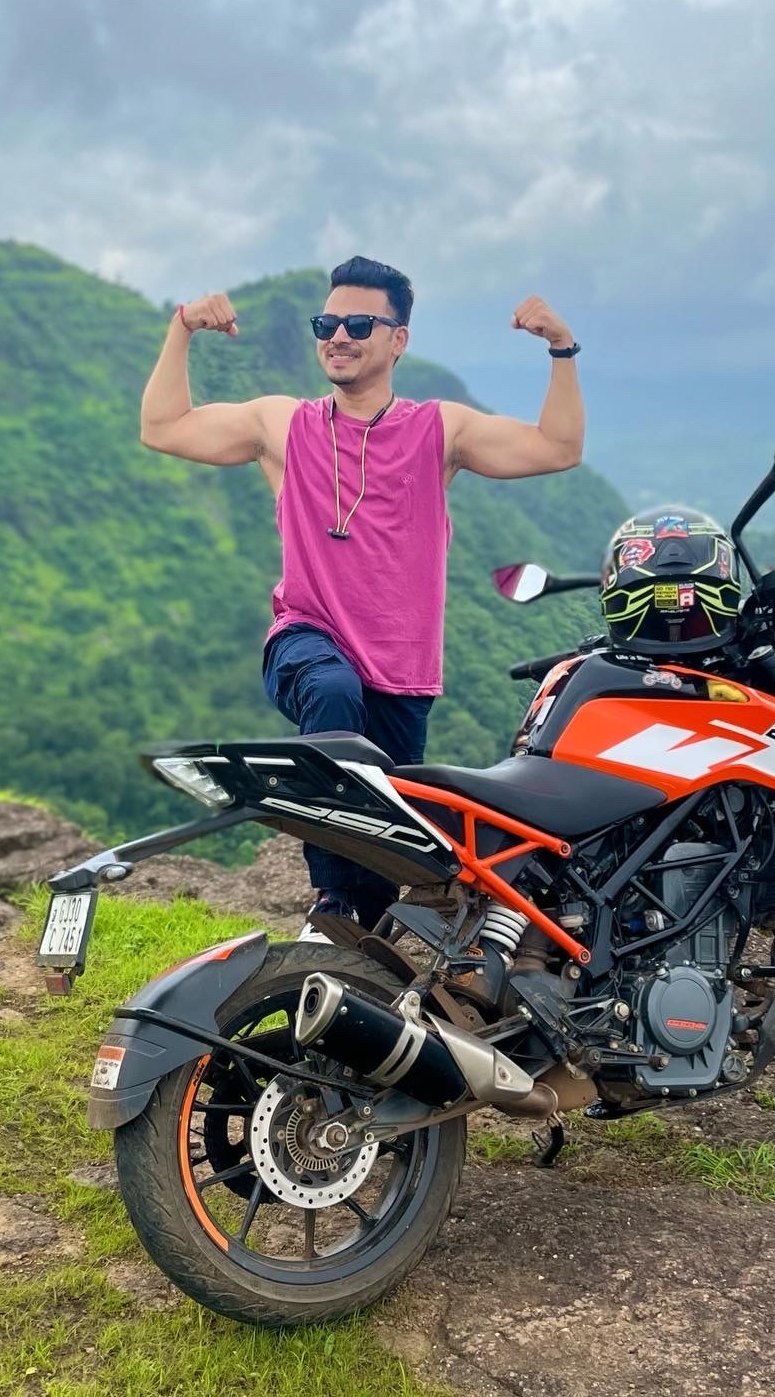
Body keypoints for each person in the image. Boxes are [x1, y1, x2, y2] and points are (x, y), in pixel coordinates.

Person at [140, 255, 583, 937]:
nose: (338, 337)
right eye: (327, 324)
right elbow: (162, 427)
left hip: (403, 675)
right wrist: (182, 329)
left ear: (398, 339)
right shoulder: (282, 425)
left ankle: (358, 937)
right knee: (332, 693)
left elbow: (557, 448)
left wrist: (561, 348)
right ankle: (329, 899)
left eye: (358, 325)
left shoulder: (440, 431)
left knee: (383, 867)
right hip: (306, 640)